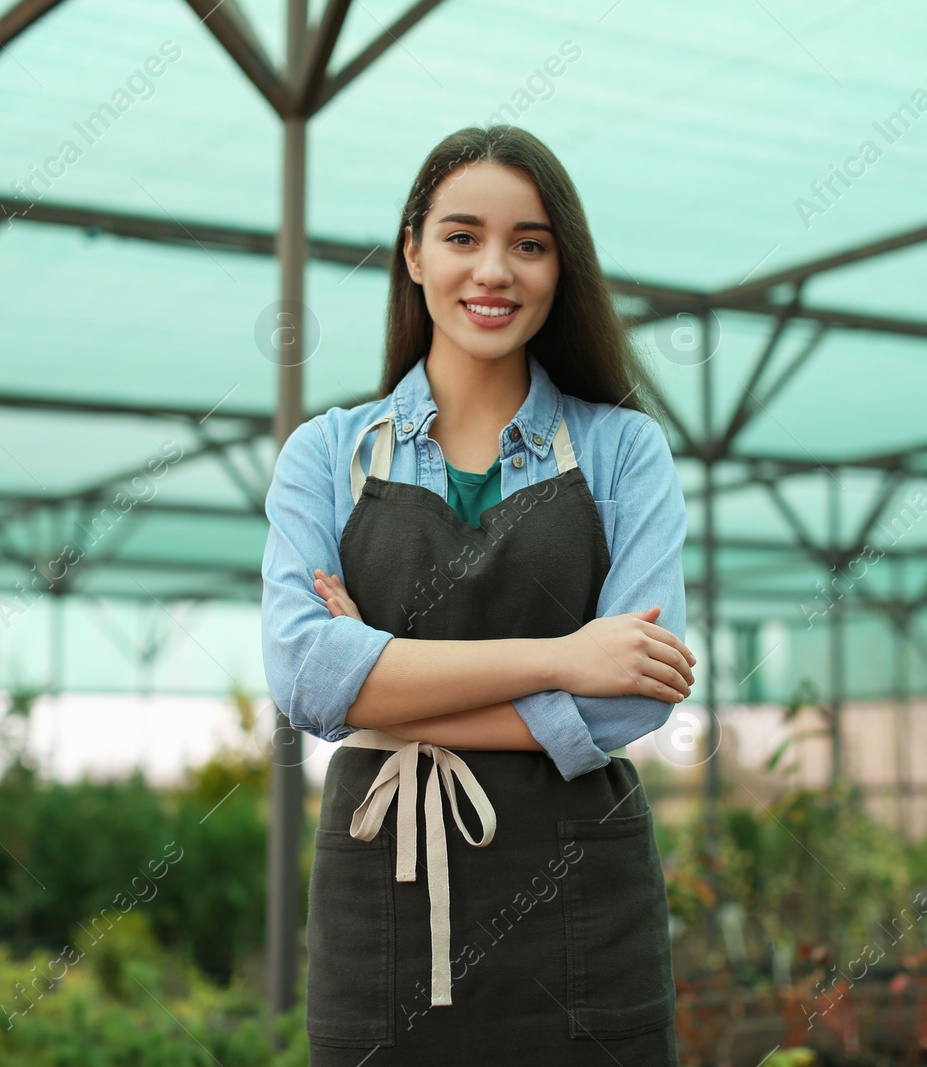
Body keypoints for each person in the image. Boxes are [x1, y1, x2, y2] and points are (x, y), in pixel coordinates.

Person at [260, 123, 695, 1066]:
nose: (493, 270)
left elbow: (627, 695)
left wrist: (383, 674)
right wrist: (561, 656)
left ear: (560, 266)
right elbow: (304, 674)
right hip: (382, 896)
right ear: (412, 250)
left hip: (585, 900)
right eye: (462, 237)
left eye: (528, 244)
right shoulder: (327, 454)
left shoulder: (626, 450)